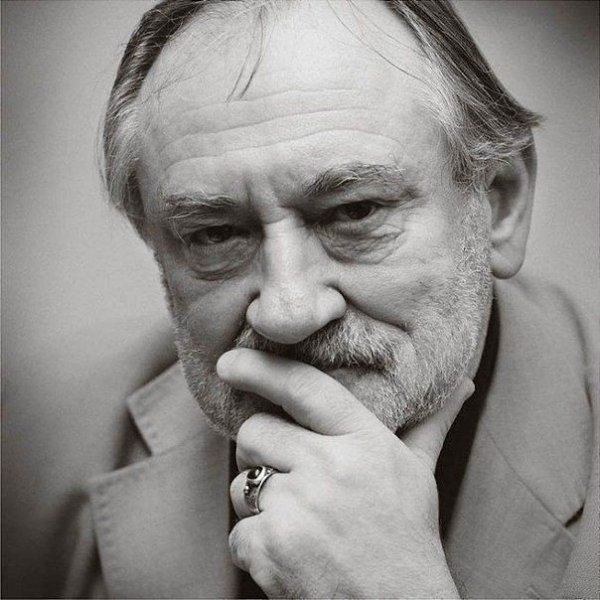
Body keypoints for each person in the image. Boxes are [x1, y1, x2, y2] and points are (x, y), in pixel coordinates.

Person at [3, 0, 598, 598]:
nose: (287, 312)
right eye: (216, 234)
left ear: (499, 203)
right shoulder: (36, 447)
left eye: (355, 212)